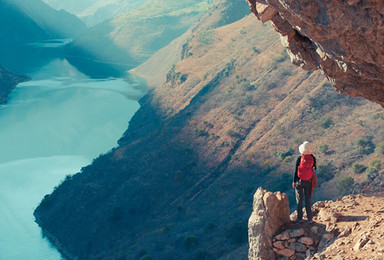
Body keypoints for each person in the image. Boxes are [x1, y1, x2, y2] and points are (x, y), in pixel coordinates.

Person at [292, 141, 317, 223]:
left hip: (299, 181)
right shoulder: (313, 158)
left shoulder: (299, 158)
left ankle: (299, 218)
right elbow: (314, 170)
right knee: (307, 200)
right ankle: (309, 218)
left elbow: (296, 171)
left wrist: (294, 181)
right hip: (308, 182)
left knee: (299, 200)